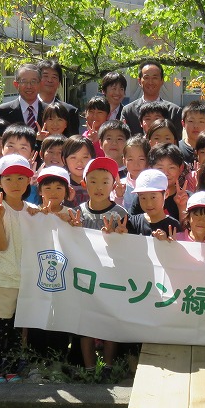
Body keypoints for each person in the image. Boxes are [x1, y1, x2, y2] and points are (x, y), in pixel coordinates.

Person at [0, 154, 39, 382]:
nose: (15, 184)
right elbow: (2, 244)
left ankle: (13, 370)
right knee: (1, 330)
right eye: (9, 178)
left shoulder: (34, 210)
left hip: (27, 280)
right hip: (3, 279)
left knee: (19, 330)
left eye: (21, 178)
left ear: (29, 181)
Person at [76, 156, 129, 372]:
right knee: (85, 323)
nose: (99, 187)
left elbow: (127, 248)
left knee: (110, 322)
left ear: (113, 185)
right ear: (84, 183)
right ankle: (89, 369)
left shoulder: (120, 213)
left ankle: (107, 366)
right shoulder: (78, 212)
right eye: (93, 181)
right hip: (85, 277)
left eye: (105, 181)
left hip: (111, 278)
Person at [121, 62, 181, 135]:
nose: (150, 82)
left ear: (162, 81)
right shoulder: (128, 111)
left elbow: (177, 142)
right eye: (146, 78)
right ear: (139, 81)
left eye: (155, 78)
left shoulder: (174, 111)